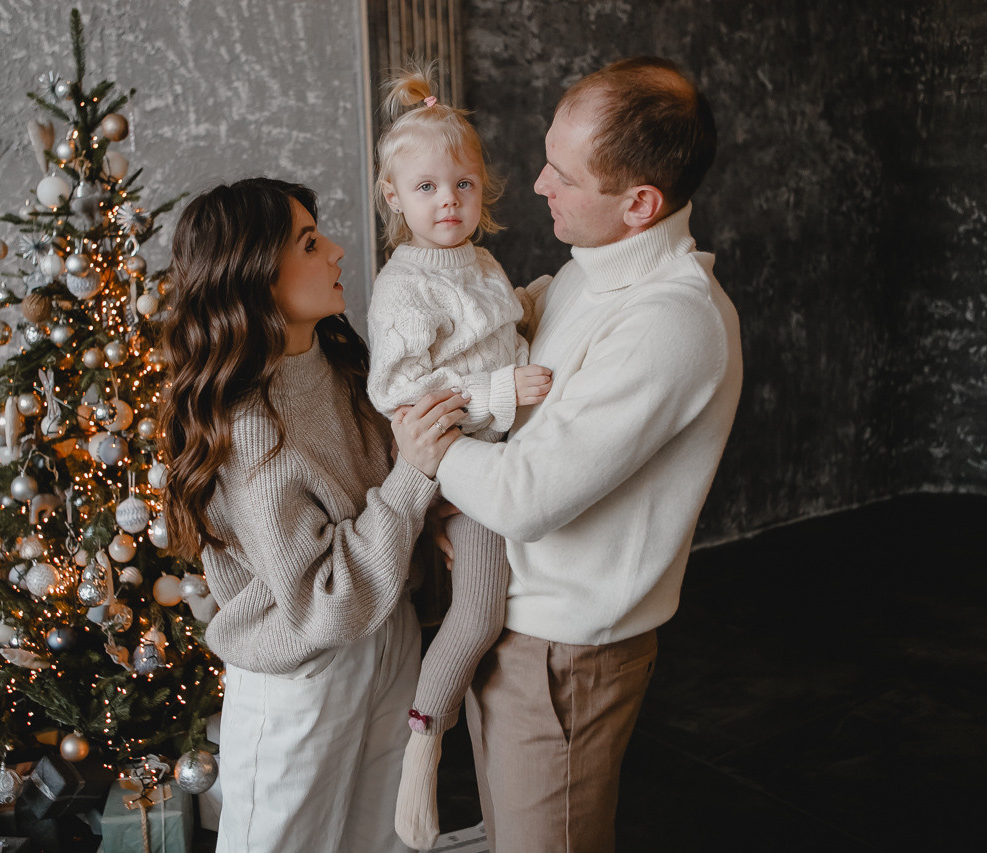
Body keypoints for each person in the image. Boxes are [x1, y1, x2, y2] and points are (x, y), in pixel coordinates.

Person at [433, 57, 743, 851]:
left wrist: (424, 439)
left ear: (640, 204)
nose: (538, 184)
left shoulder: (671, 322)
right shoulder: (584, 276)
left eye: (564, 175)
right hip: (512, 623)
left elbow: (527, 496)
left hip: (565, 655)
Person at [155, 177, 470, 853]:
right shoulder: (248, 428)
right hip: (305, 670)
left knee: (382, 841)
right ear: (255, 275)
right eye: (309, 241)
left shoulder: (339, 360)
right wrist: (414, 477)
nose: (335, 250)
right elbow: (324, 597)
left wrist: (432, 511)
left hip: (389, 632)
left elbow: (377, 497)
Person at [365, 66, 552, 850]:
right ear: (394, 199)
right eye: (428, 188)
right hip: (462, 465)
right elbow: (407, 393)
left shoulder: (478, 263)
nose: (448, 201)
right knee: (475, 612)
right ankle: (423, 738)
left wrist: (547, 302)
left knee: (505, 604)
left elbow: (497, 327)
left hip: (503, 460)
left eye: (464, 184)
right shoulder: (403, 287)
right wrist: (502, 392)